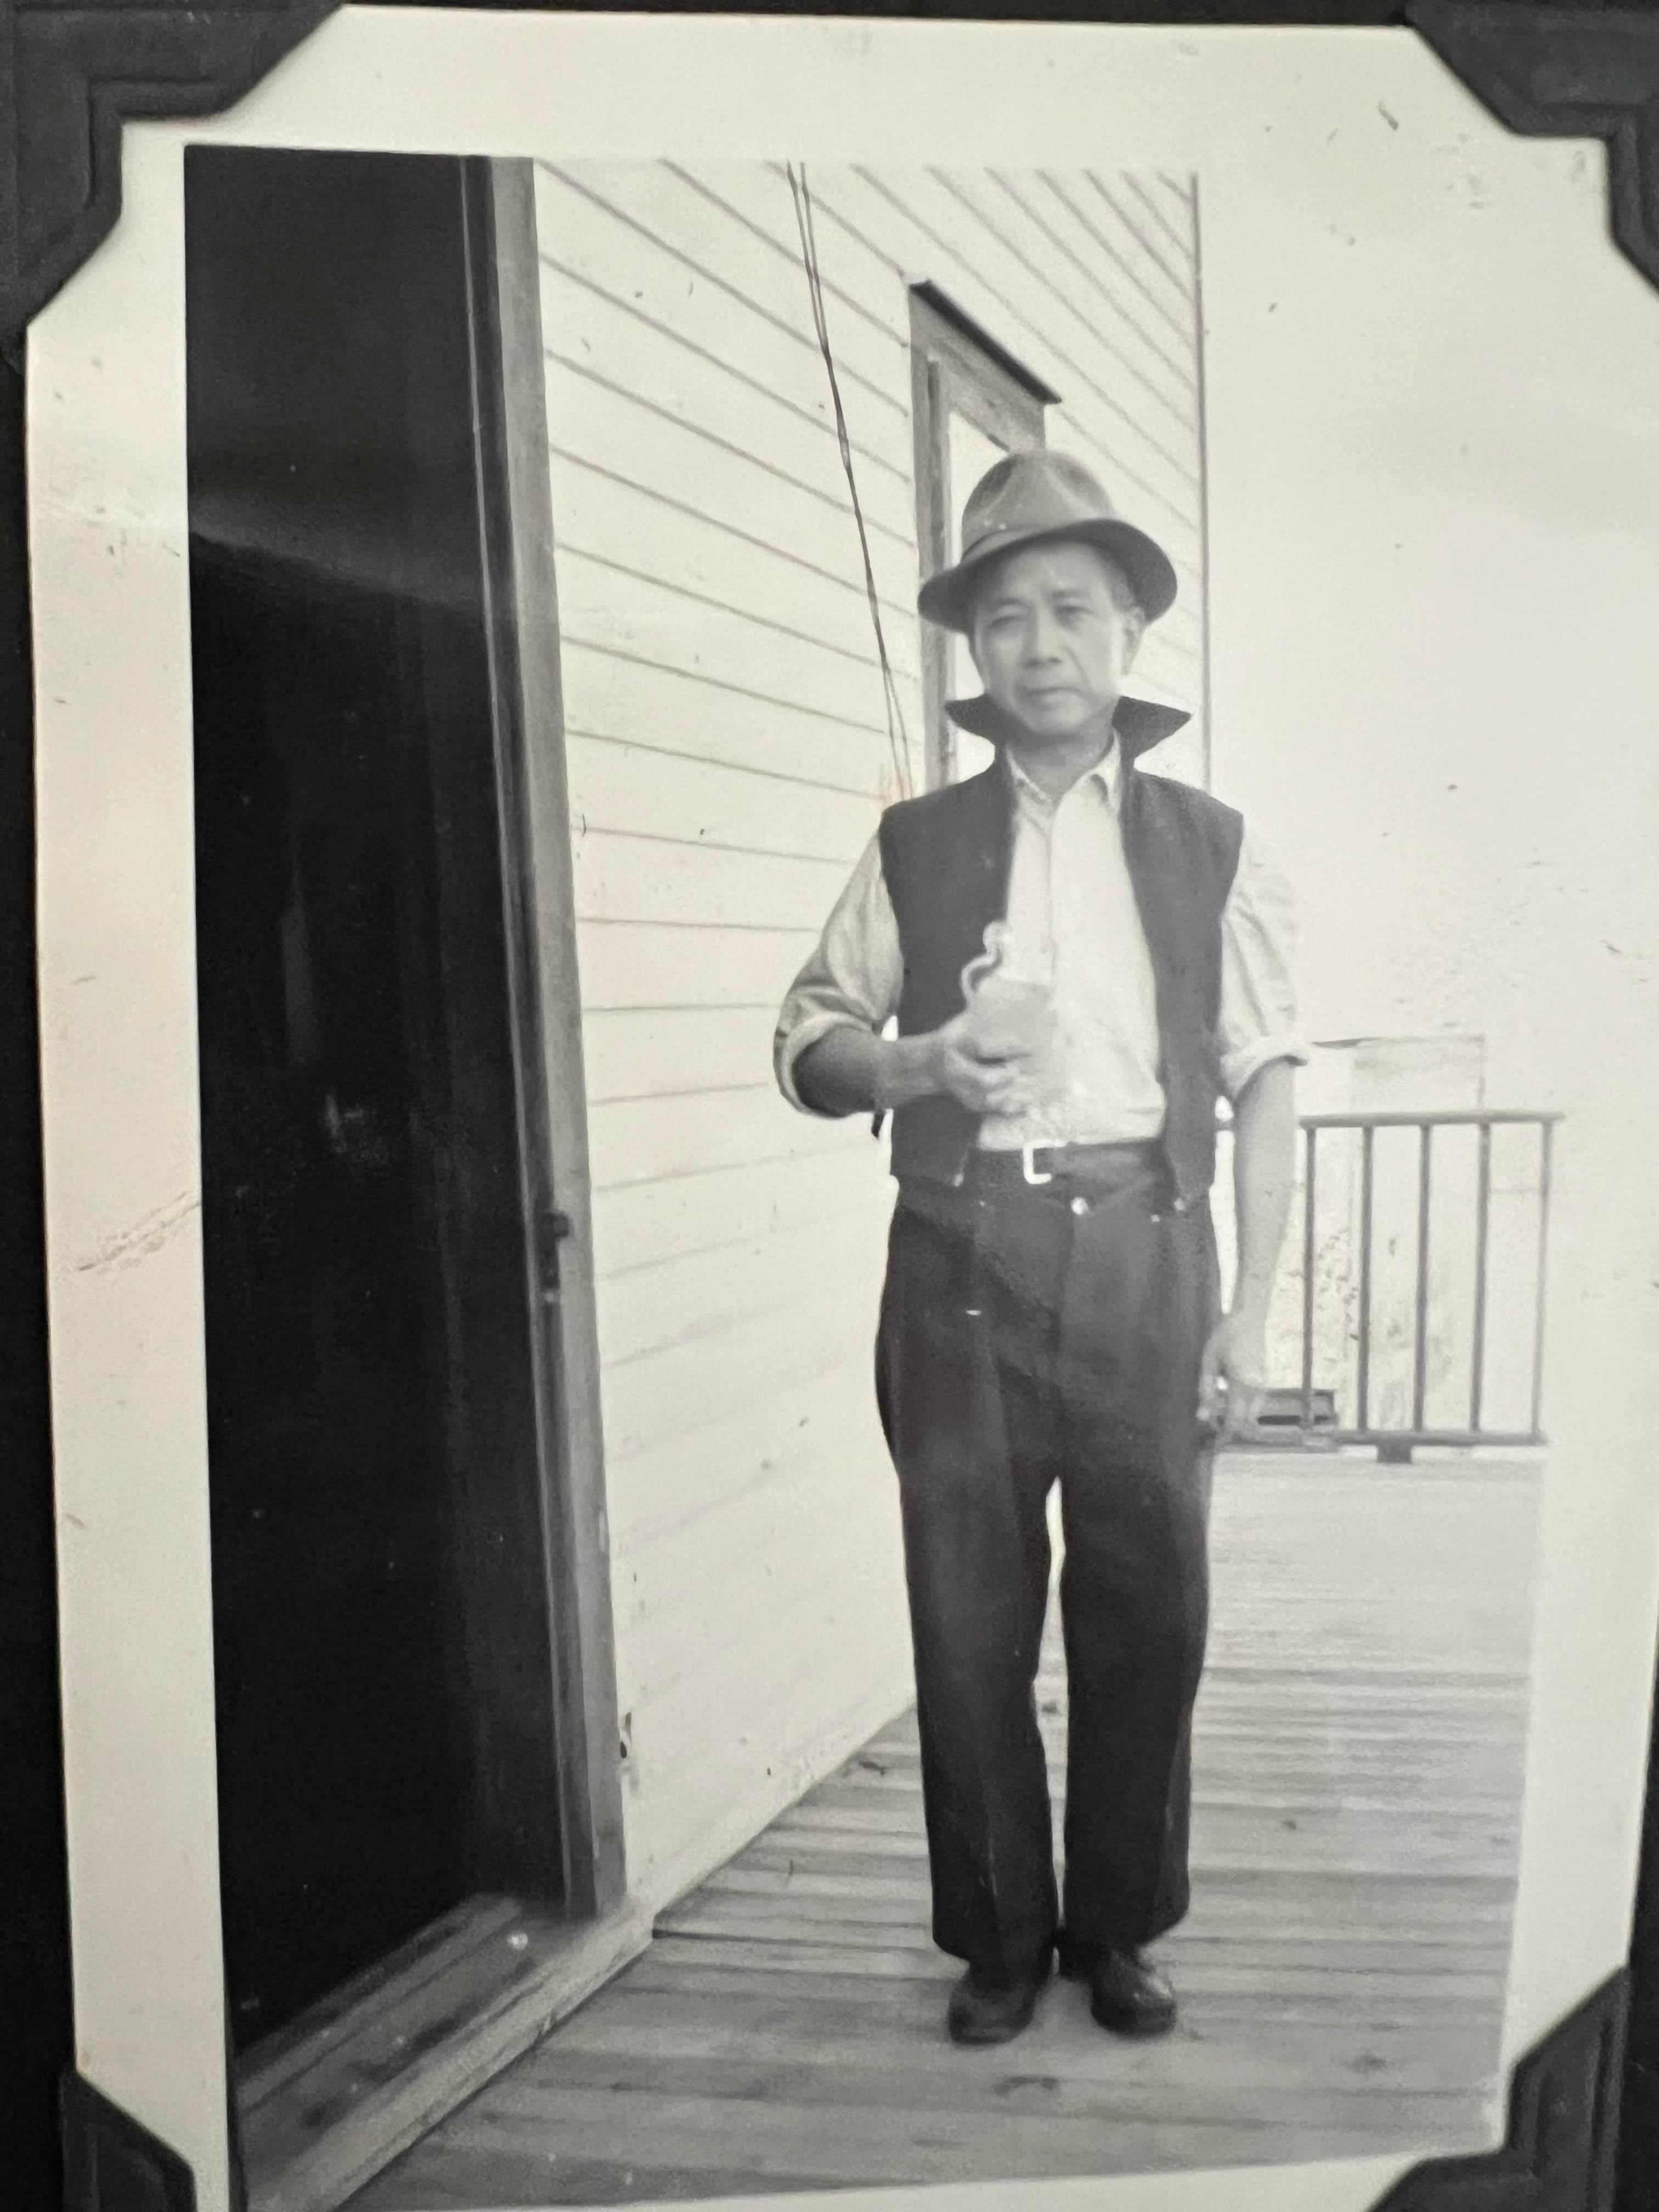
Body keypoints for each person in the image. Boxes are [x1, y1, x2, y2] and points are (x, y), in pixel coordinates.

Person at [772, 450, 1305, 2047]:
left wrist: (1252, 1315)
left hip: (1149, 1256)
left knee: (1150, 1605)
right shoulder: (913, 844)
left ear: (1130, 629)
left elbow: (1268, 1083)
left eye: (1074, 608)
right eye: (1005, 617)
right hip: (956, 1261)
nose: (1041, 643)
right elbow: (808, 1039)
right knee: (967, 1607)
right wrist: (923, 1062)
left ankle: (1120, 1930)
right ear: (975, 652)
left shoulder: (1216, 847)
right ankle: (1000, 1940)